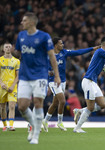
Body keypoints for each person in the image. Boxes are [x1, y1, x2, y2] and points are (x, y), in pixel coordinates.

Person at [14, 12, 60, 144]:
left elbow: (52, 57)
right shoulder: (21, 36)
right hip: (24, 75)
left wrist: (56, 75)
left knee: (38, 103)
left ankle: (35, 136)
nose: (22, 23)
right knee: (22, 106)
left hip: (40, 75)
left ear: (32, 22)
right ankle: (34, 125)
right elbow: (18, 53)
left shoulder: (44, 37)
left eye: (24, 21)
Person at [42, 37, 100, 132]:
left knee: (55, 103)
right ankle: (60, 122)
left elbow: (78, 52)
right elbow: (44, 66)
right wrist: (49, 72)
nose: (62, 45)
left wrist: (92, 48)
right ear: (56, 45)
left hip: (63, 81)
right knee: (62, 101)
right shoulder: (50, 55)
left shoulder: (64, 52)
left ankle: (45, 120)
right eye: (60, 43)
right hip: (53, 81)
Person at [0, 43, 20, 131]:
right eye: (6, 47)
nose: (8, 48)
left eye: (9, 47)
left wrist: (13, 85)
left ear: (11, 49)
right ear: (3, 49)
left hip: (12, 87)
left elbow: (18, 76)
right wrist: (1, 83)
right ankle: (4, 125)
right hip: (2, 87)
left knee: (12, 106)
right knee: (2, 107)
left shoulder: (16, 61)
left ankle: (11, 125)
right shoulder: (0, 60)